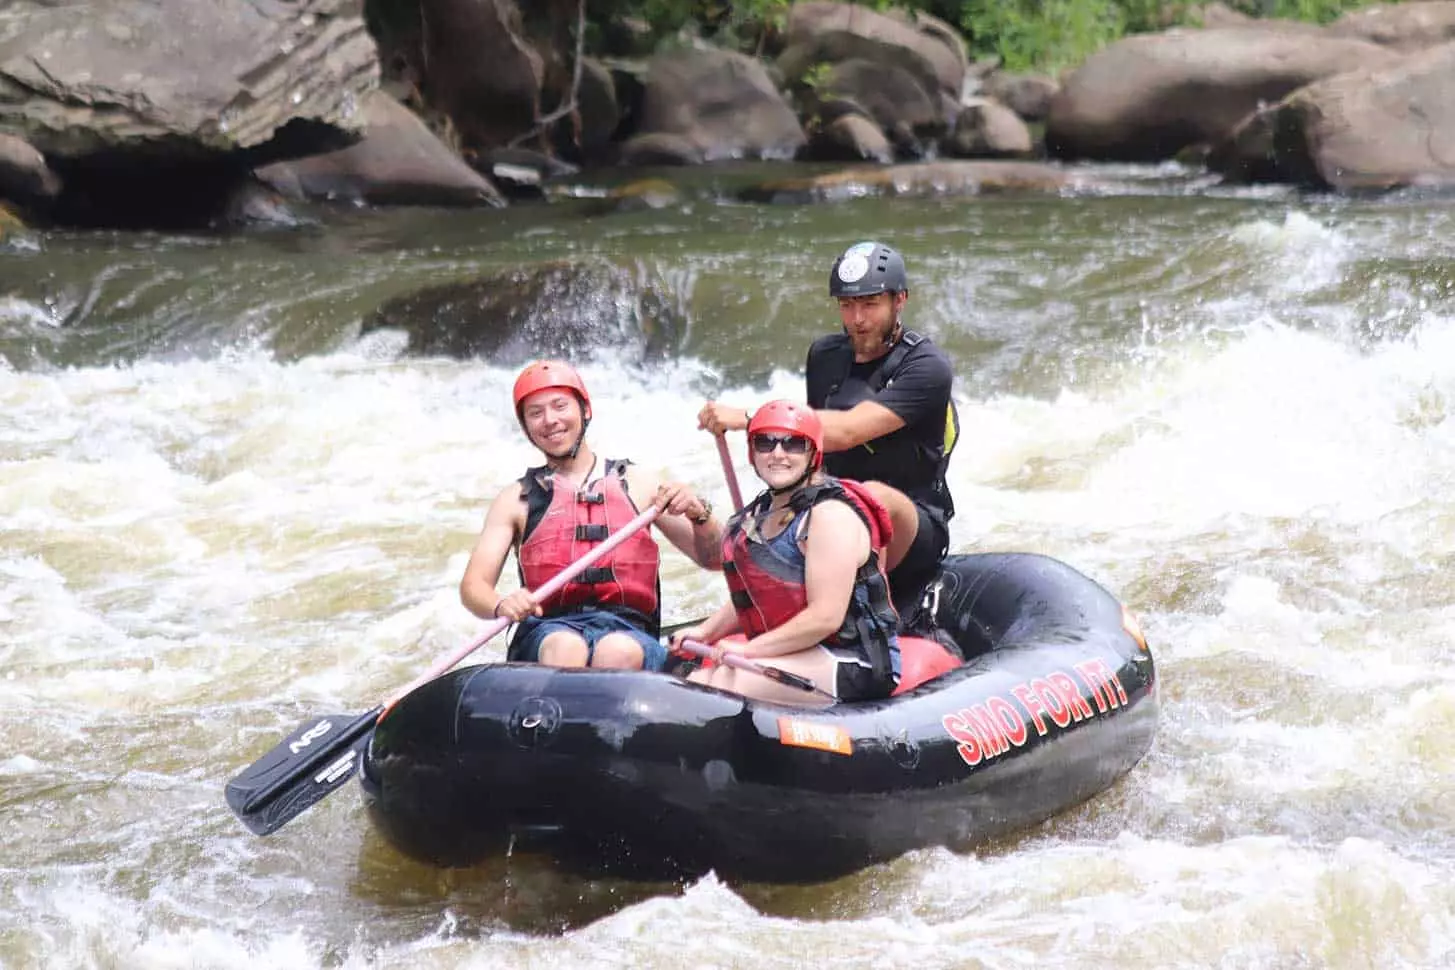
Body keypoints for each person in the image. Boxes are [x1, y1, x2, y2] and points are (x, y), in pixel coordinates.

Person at [697, 241, 958, 622]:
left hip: (912, 525)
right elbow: (815, 453)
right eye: (847, 305)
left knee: (872, 496)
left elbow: (850, 430)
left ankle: (867, 621)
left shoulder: (927, 366)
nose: (857, 319)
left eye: (870, 305)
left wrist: (752, 418)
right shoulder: (825, 355)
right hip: (830, 510)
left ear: (899, 300)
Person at [460, 360, 723, 671]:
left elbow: (716, 559)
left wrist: (700, 515)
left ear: (585, 410)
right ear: (526, 427)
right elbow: (474, 586)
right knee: (565, 646)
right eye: (535, 413)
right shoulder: (515, 499)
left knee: (618, 650)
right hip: (549, 631)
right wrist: (500, 604)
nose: (550, 420)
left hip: (630, 631)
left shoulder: (641, 483)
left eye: (560, 406)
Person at [669, 401, 900, 706]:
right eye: (765, 443)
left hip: (857, 659)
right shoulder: (760, 514)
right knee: (694, 682)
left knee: (723, 688)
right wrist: (704, 631)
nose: (777, 454)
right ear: (752, 454)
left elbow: (825, 617)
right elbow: (754, 595)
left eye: (792, 444)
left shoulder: (829, 516)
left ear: (812, 454)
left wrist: (749, 650)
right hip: (802, 651)